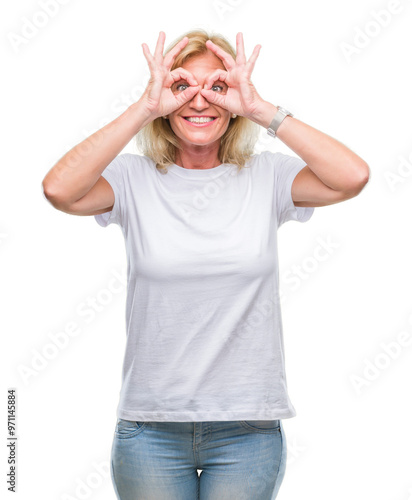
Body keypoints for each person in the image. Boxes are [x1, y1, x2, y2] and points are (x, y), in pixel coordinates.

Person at [42, 28, 370, 500]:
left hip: (247, 428)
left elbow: (353, 176)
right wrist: (143, 108)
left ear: (233, 102)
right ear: (164, 101)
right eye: (181, 88)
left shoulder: (268, 176)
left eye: (216, 87)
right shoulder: (132, 180)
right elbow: (58, 190)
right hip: (150, 429)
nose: (199, 102)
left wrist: (261, 108)